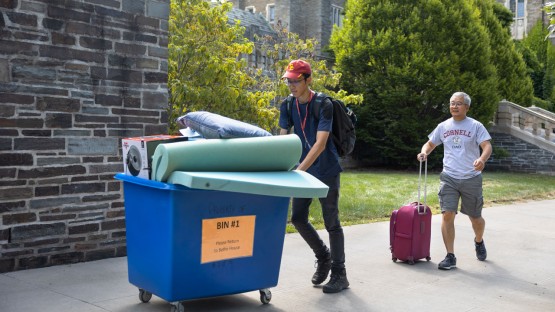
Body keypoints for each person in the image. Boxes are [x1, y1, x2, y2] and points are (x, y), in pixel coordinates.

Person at [278, 59, 349, 293]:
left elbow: (320, 144)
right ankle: (323, 256)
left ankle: (340, 274)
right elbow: (282, 139)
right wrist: (281, 165)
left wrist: (298, 170)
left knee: (332, 223)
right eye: (288, 80)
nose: (291, 85)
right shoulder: (287, 105)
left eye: (296, 81)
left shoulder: (323, 104)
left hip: (325, 169)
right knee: (298, 218)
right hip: (302, 170)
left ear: (308, 80)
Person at [417, 91, 492, 270]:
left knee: (475, 218)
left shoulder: (475, 126)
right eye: (452, 103)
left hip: (471, 177)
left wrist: (481, 160)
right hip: (449, 176)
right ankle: (450, 256)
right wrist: (424, 152)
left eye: (458, 103)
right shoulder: (443, 126)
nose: (454, 106)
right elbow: (430, 143)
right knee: (447, 214)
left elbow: (487, 146)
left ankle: (479, 241)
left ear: (466, 107)